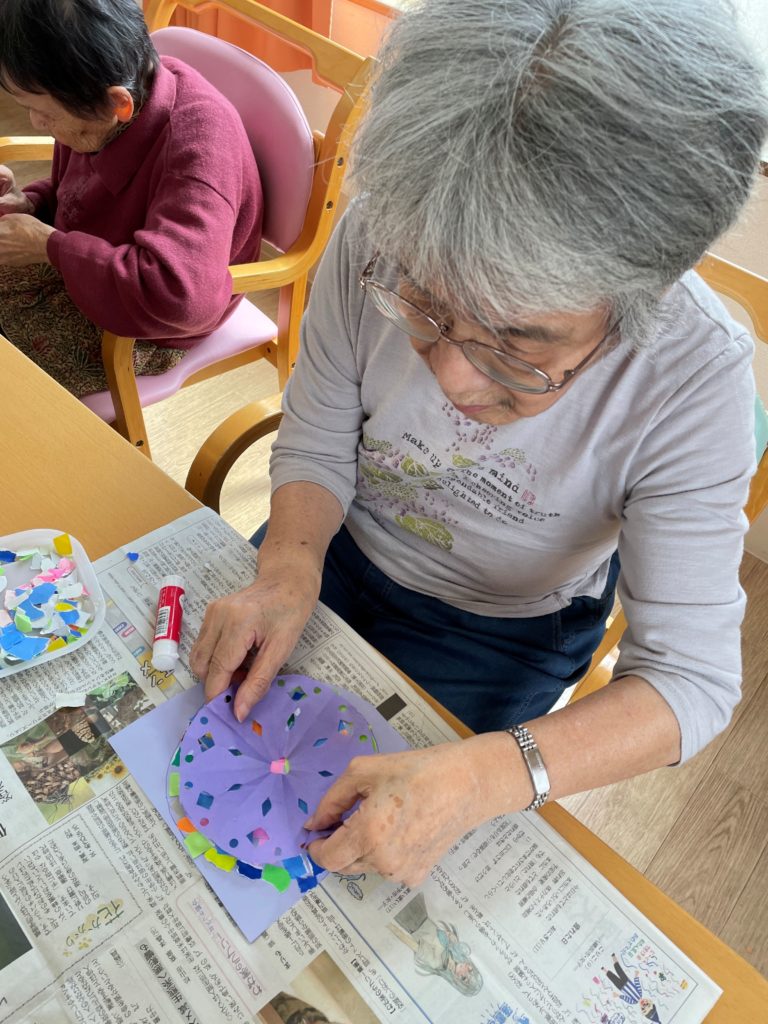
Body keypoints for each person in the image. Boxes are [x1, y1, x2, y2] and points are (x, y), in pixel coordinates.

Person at [191, 0, 768, 887]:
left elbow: (688, 681)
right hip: (334, 544)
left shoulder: (694, 377)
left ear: (640, 298)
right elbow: (318, 434)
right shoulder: (386, 230)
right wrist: (288, 566)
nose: (455, 380)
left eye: (520, 343)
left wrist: (485, 775)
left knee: (362, 856)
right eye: (424, 306)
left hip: (502, 632)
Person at [0, 0, 262, 397]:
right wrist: (32, 205)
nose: (37, 123)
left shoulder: (199, 148)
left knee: (15, 382)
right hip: (98, 264)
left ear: (116, 103)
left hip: (152, 324)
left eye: (45, 114)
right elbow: (80, 193)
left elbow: (180, 299)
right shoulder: (106, 95)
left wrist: (49, 245)